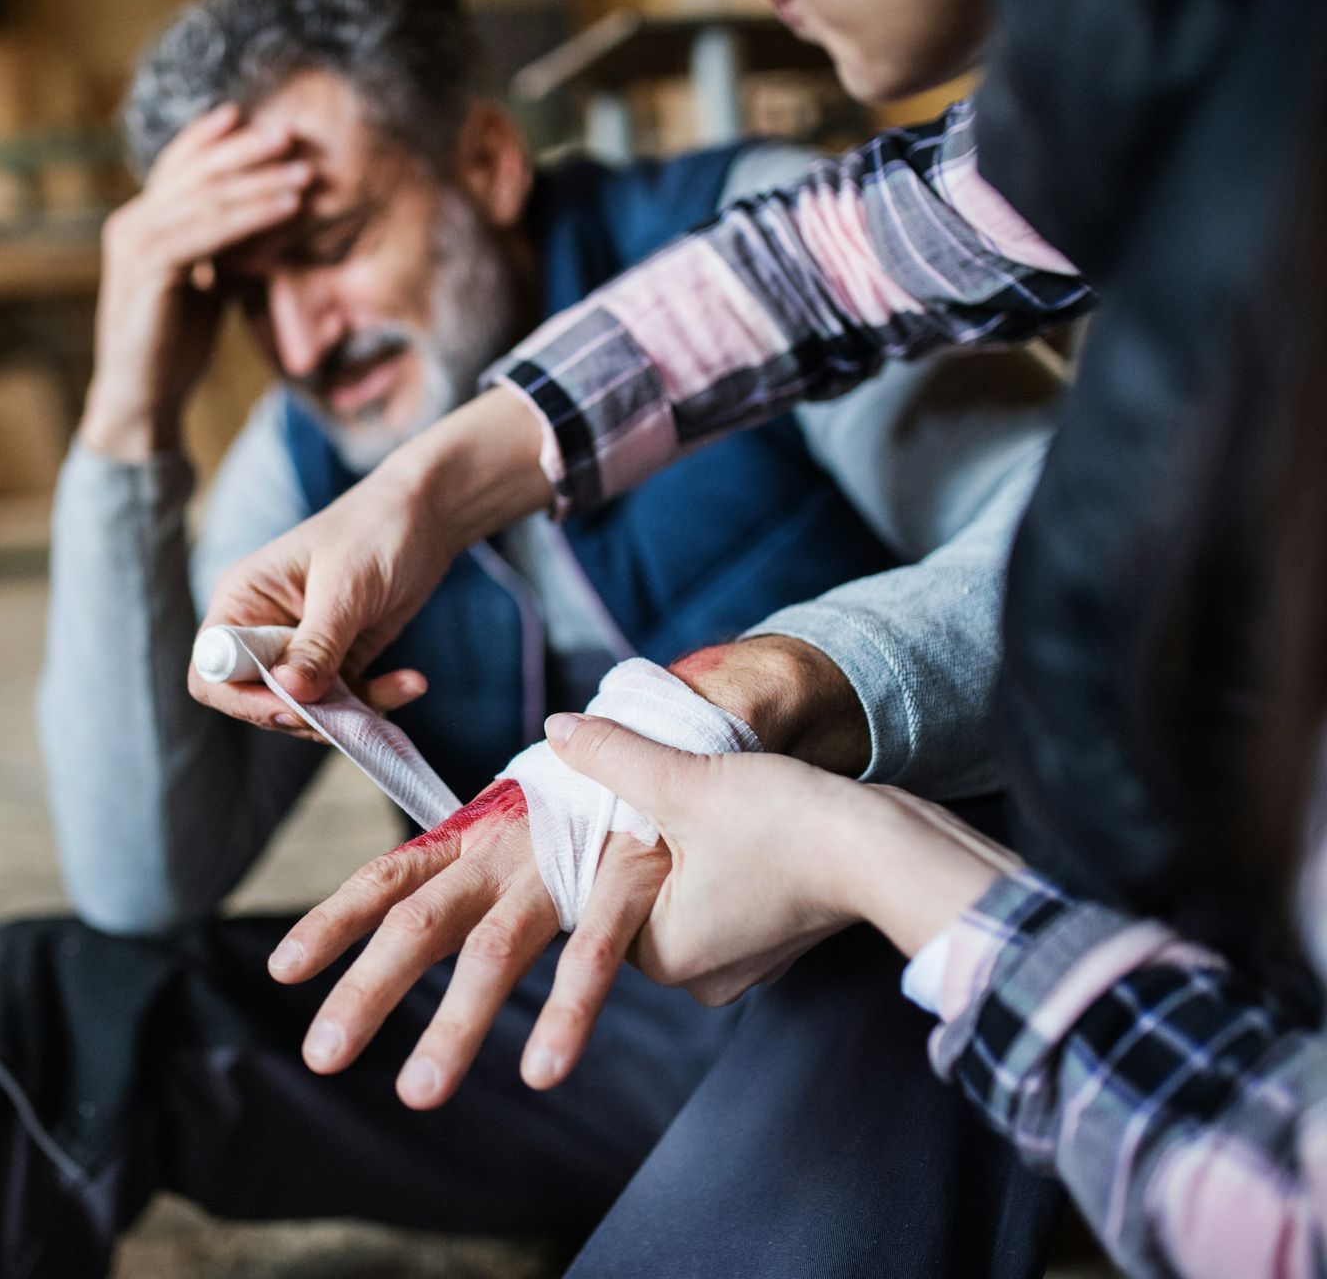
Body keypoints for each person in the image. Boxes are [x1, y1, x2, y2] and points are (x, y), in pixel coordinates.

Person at [0, 1, 1070, 1275]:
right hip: (554, 1055)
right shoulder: (310, 456)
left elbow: (1087, 561)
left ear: (488, 164)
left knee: (887, 950)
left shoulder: (755, 249)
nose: (299, 337)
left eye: (325, 242)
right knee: (43, 999)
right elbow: (140, 880)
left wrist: (756, 691)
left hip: (849, 1018)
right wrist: (123, 424)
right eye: (243, 290)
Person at [505, 117, 1327, 1274]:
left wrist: (829, 795)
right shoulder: (1182, 113)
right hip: (621, 997)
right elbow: (837, 265)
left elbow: (1263, 1195)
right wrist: (432, 472)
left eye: (330, 236)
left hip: (880, 955)